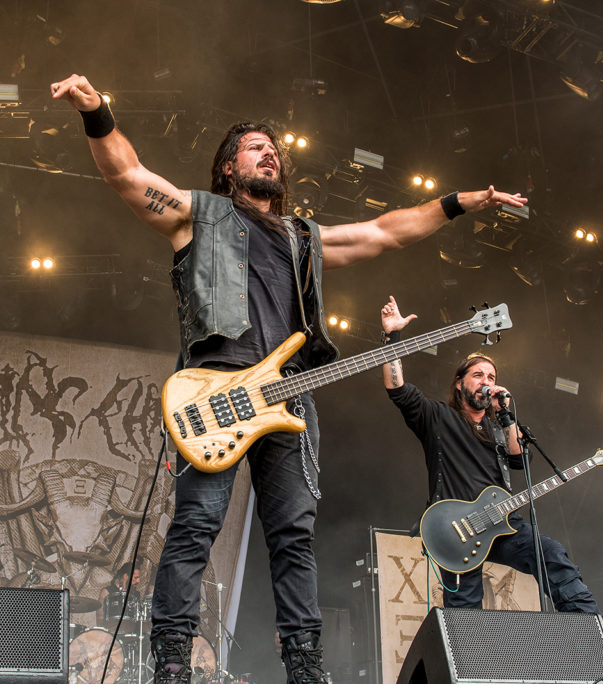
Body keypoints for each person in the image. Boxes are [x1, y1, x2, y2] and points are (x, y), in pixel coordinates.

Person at [50, 73, 527, 684]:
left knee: (293, 538)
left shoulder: (304, 238)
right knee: (197, 525)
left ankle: (304, 667)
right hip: (217, 387)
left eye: (273, 147)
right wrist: (97, 110)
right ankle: (172, 661)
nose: (269, 152)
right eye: (253, 146)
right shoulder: (200, 216)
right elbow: (129, 176)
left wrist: (462, 201)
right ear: (227, 168)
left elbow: (385, 232)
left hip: (289, 398)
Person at [380, 296, 599, 614]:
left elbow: (519, 460)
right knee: (465, 607)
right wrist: (392, 336)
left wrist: (506, 414)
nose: (487, 383)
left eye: (492, 378)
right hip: (456, 528)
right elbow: (396, 387)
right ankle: (467, 663)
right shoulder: (438, 416)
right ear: (459, 384)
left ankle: (588, 626)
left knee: (551, 553)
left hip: (502, 524)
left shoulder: (500, 428)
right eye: (478, 376)